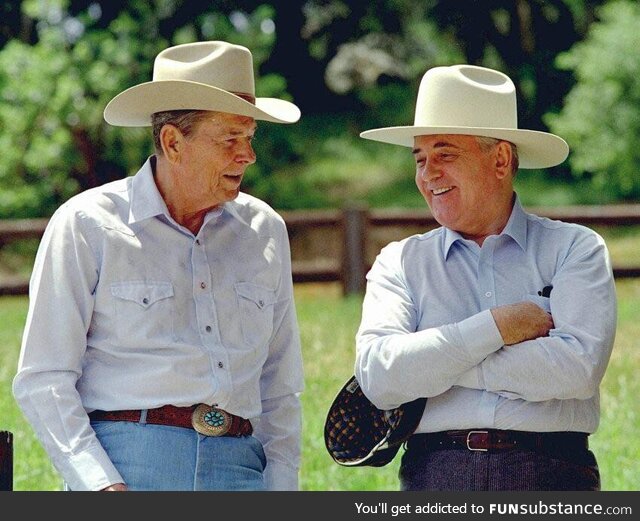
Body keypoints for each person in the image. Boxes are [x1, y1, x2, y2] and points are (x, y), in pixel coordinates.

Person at [13, 41, 304, 492]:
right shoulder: (87, 223)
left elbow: (280, 385)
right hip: (128, 468)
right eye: (230, 139)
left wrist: (281, 487)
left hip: (243, 470)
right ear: (173, 142)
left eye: (249, 138)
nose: (247, 155)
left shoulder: (265, 229)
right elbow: (44, 377)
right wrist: (100, 485)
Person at [354, 64, 616, 491]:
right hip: (436, 476)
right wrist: (497, 328)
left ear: (500, 159)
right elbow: (379, 378)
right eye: (420, 159)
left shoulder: (575, 249)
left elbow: (577, 370)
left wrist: (434, 361)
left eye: (445, 155)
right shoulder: (399, 261)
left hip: (554, 475)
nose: (427, 174)